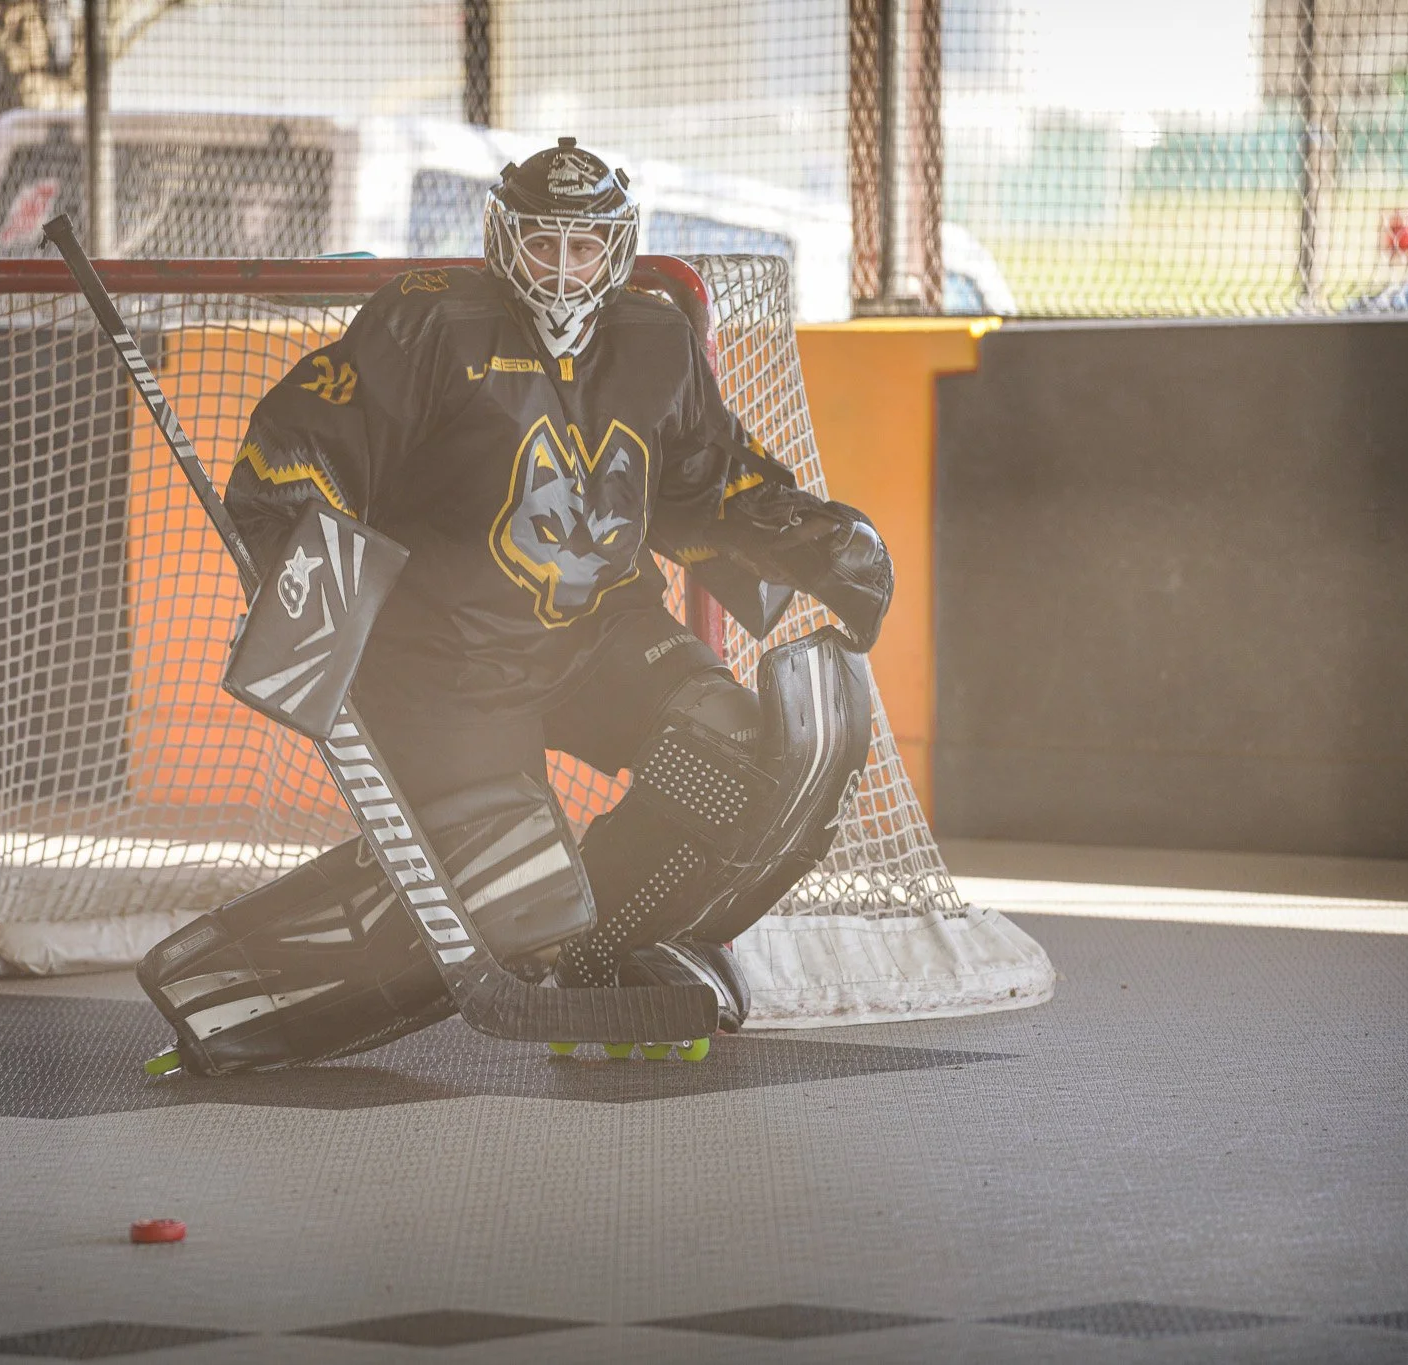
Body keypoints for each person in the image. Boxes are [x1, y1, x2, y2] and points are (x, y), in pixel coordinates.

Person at [138, 138, 890, 1071]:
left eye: (585, 246)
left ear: (617, 248)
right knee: (508, 888)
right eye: (544, 244)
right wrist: (316, 611)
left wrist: (818, 542)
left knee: (746, 755)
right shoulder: (426, 326)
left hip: (603, 636)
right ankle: (236, 995)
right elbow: (294, 455)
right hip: (447, 667)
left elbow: (710, 484)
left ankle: (603, 958)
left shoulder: (656, 339)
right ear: (504, 239)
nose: (564, 268)